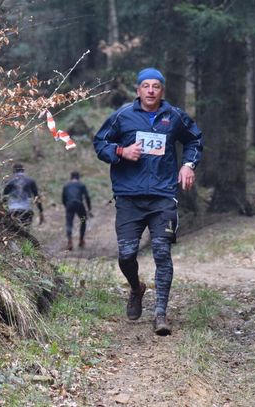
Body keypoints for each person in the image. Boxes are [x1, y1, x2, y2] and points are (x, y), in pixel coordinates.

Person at [93, 67, 203, 336]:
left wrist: (188, 165)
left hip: (163, 197)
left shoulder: (174, 116)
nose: (151, 90)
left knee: (162, 253)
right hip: (129, 197)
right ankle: (136, 288)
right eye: (146, 86)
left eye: (156, 86)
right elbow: (100, 143)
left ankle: (160, 314)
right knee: (126, 254)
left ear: (162, 90)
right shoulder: (123, 116)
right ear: (138, 90)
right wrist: (121, 151)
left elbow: (194, 139)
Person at [3, 163, 44, 228]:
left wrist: (4, 210)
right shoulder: (30, 181)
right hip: (26, 210)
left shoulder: (9, 181)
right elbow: (36, 197)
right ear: (23, 170)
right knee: (25, 230)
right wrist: (41, 211)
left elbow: (4, 198)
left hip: (12, 210)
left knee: (12, 231)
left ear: (13, 171)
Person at [62, 171, 93, 250]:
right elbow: (87, 197)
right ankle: (81, 239)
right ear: (78, 177)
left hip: (69, 205)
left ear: (71, 177)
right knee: (83, 221)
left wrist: (66, 206)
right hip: (79, 205)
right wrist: (89, 209)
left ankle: (69, 241)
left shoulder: (66, 186)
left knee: (69, 223)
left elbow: (63, 198)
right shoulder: (81, 185)